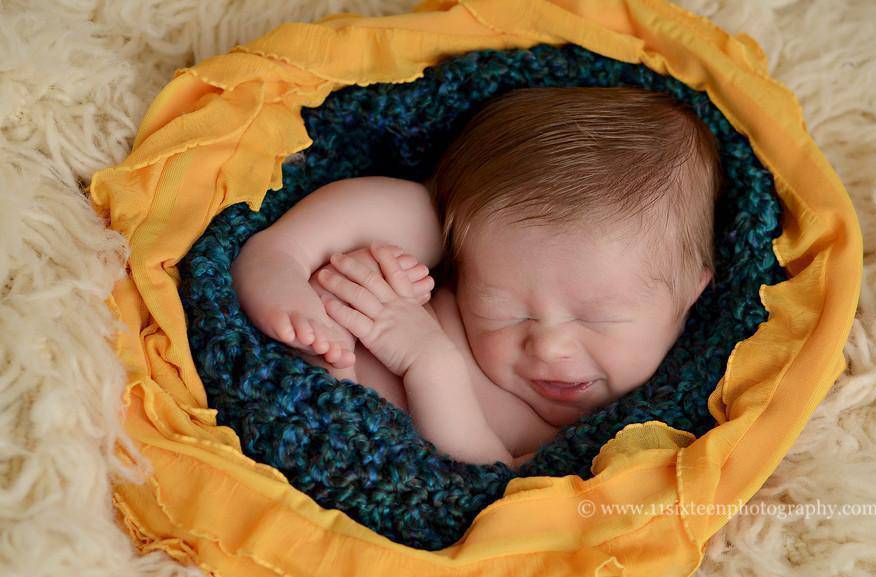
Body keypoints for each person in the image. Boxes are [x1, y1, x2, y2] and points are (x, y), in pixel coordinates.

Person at [230, 86, 722, 470]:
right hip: (315, 326)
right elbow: (409, 211)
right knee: (414, 213)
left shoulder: (601, 440)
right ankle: (280, 254)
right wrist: (303, 266)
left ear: (691, 294)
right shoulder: (465, 256)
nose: (550, 347)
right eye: (506, 308)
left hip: (328, 427)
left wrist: (429, 360)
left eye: (599, 317)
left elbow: (484, 481)